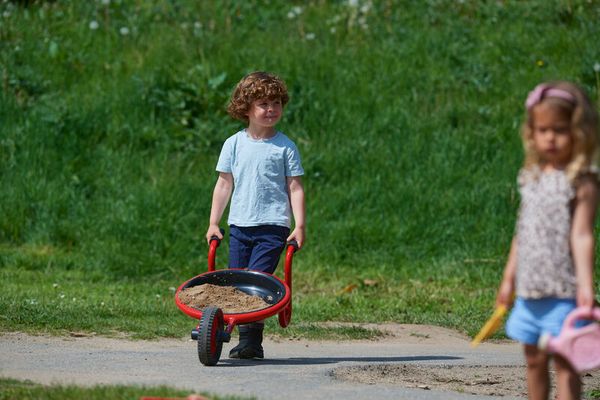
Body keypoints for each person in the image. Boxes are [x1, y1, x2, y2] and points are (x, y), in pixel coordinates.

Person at [496, 81, 599, 400]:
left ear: (578, 132)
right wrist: (509, 277)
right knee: (534, 359)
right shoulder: (532, 176)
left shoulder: (582, 182)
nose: (550, 137)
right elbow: (522, 231)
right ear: (532, 132)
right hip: (530, 289)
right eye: (542, 130)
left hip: (563, 290)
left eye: (559, 129)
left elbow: (582, 235)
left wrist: (585, 285)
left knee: (566, 365)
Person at [205, 71, 305, 359]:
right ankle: (231, 333)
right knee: (235, 287)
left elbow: (295, 187)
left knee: (257, 282)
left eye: (276, 103)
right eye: (263, 103)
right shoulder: (234, 144)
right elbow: (224, 184)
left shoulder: (285, 147)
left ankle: (250, 341)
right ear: (246, 108)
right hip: (239, 225)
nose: (271, 109)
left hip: (272, 227)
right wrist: (214, 222)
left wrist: (299, 225)